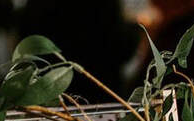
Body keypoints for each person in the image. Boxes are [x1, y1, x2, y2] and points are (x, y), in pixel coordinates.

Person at [17, 0, 145, 99]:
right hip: (99, 96)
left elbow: (26, 38)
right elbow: (120, 47)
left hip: (50, 94)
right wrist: (137, 28)